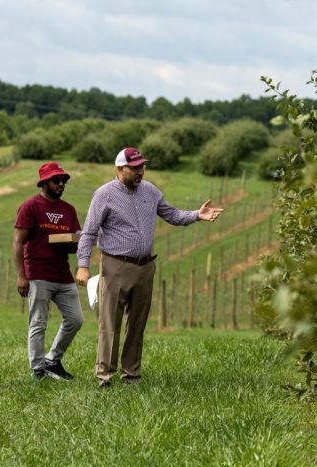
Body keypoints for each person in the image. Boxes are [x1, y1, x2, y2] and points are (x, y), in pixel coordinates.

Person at [75, 147, 224, 387]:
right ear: (119, 169)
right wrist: (83, 265)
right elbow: (89, 233)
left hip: (145, 268)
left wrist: (197, 214)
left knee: (137, 323)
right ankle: (105, 376)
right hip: (115, 266)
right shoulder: (104, 195)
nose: (140, 172)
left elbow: (172, 214)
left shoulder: (151, 191)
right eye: (134, 168)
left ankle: (131, 375)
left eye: (142, 167)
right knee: (109, 324)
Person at [13, 162, 83, 380]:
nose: (61, 184)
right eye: (56, 180)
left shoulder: (68, 210)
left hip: (63, 274)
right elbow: (17, 242)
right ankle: (37, 369)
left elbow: (75, 242)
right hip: (37, 273)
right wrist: (21, 275)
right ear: (44, 182)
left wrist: (76, 242)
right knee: (38, 322)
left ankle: (52, 360)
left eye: (64, 180)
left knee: (76, 319)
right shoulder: (30, 207)